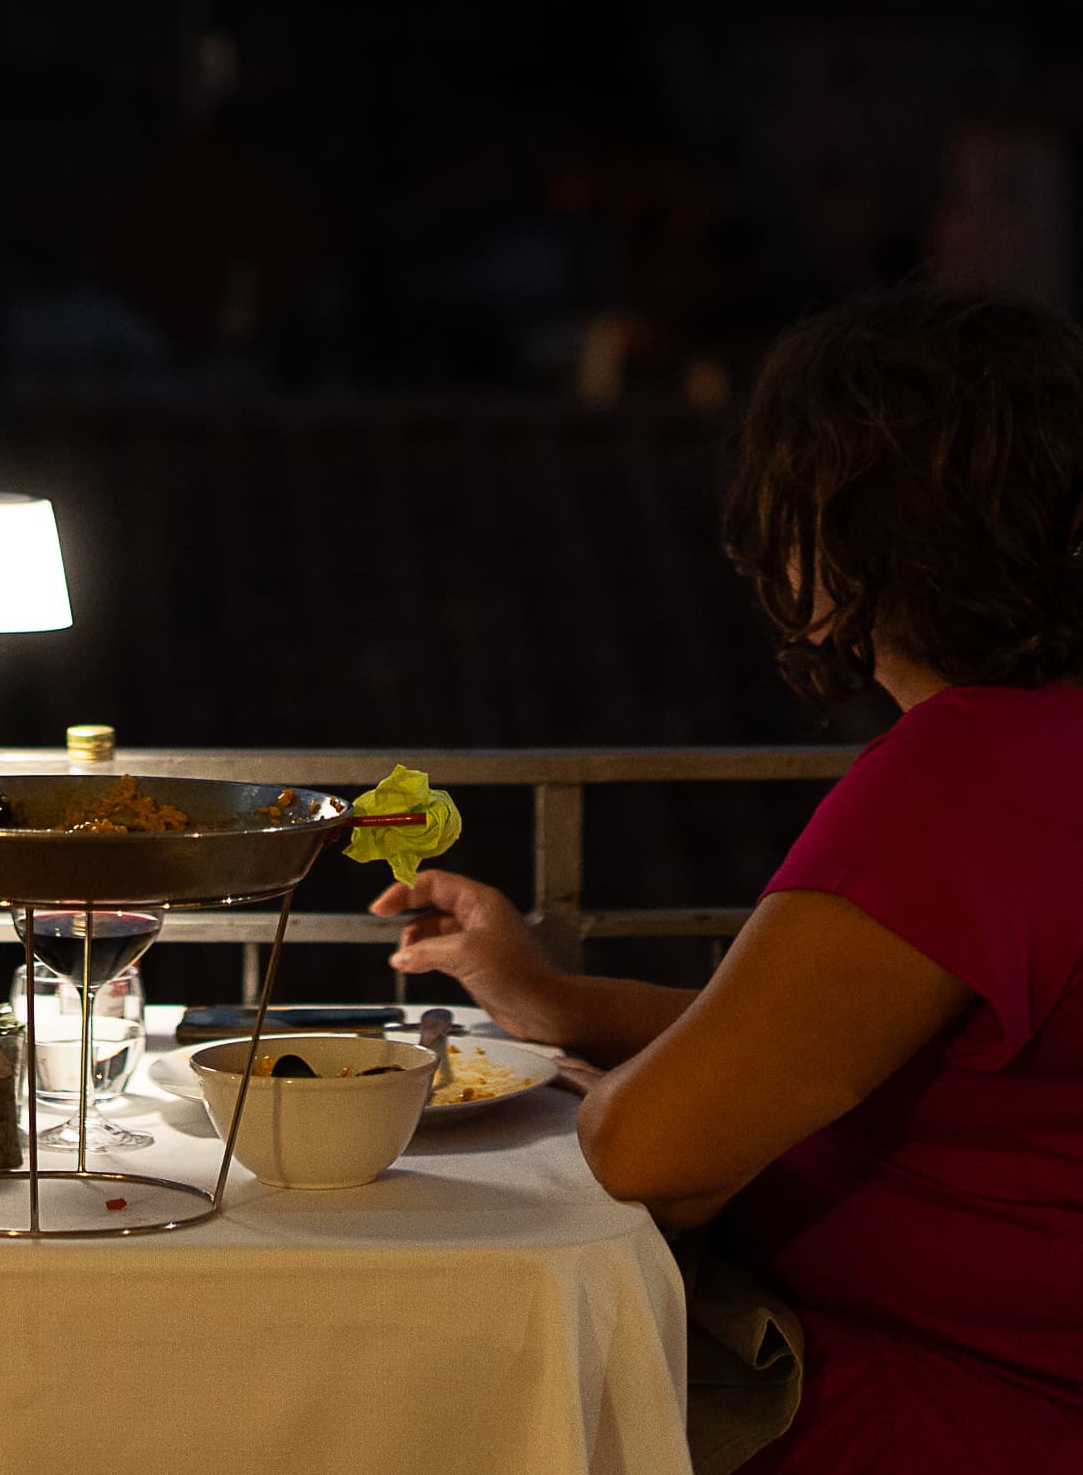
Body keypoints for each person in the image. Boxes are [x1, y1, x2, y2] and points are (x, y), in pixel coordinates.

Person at [370, 283, 1083, 1473]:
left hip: (947, 1394)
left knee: (418, 1379)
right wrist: (549, 998)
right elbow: (862, 1041)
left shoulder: (962, 772)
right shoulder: (1044, 747)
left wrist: (605, 1089)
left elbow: (648, 1150)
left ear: (842, 528)